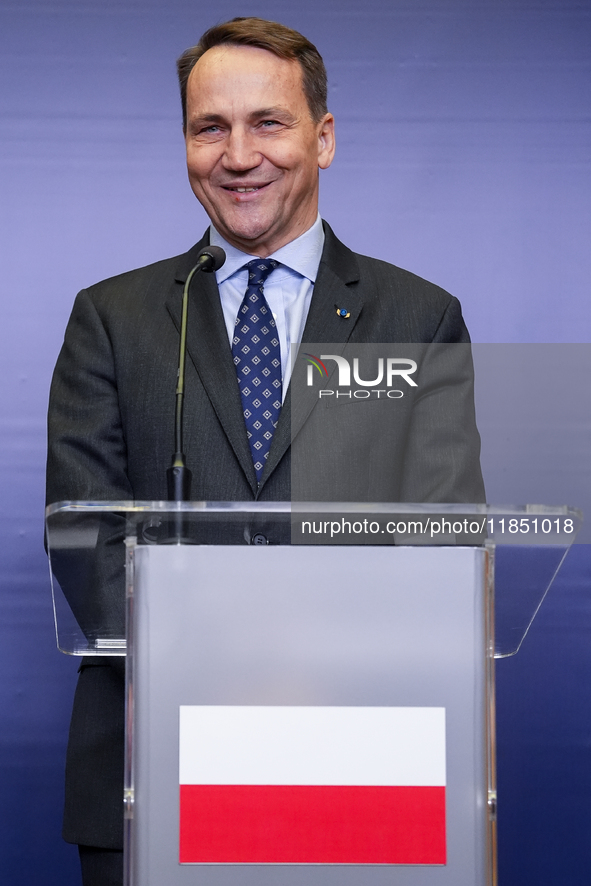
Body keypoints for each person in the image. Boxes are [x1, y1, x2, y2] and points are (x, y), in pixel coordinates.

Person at [46, 17, 485, 885]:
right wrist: (213, 671)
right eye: (210, 127)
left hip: (358, 758)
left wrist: (305, 677)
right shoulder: (113, 317)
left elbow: (440, 536)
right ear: (185, 144)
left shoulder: (418, 317)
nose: (237, 154)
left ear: (321, 139)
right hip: (152, 757)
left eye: (268, 123)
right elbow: (82, 535)